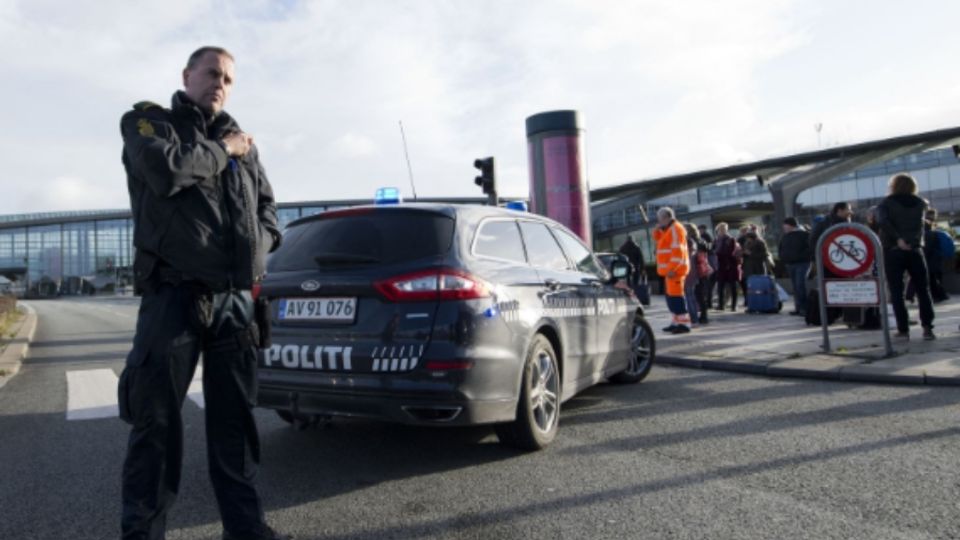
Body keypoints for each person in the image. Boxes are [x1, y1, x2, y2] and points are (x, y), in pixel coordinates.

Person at [118, 47, 290, 540]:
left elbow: (268, 208)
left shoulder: (243, 143)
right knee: (157, 427)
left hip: (235, 302)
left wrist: (263, 242)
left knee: (235, 425)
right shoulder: (149, 123)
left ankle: (245, 528)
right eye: (212, 73)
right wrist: (226, 150)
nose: (220, 83)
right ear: (187, 75)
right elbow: (165, 171)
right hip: (174, 296)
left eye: (229, 79)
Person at [877, 173, 935, 340]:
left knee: (896, 291)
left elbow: (883, 222)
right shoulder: (920, 203)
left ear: (893, 186)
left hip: (893, 250)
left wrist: (898, 239)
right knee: (923, 290)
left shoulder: (886, 203)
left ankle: (903, 330)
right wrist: (912, 241)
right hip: (916, 249)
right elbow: (920, 226)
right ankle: (928, 328)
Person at [653, 207, 692, 334]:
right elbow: (661, 241)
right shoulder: (669, 229)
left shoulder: (675, 228)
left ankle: (684, 324)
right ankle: (676, 322)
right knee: (671, 298)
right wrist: (657, 230)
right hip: (670, 271)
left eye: (660, 218)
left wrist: (671, 268)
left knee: (676, 298)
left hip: (674, 271)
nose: (658, 221)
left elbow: (677, 251)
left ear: (666, 217)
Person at [779, 217, 810, 316]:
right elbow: (781, 248)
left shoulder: (804, 234)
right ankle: (798, 307)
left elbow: (810, 248)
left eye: (785, 224)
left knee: (800, 285)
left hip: (802, 263)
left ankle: (804, 308)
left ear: (790, 225)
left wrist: (802, 256)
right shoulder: (786, 236)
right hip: (790, 264)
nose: (783, 227)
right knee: (796, 287)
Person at [713, 222, 742, 311]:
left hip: (730, 265)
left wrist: (717, 254)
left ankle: (733, 305)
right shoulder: (716, 240)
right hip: (721, 266)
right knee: (720, 286)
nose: (721, 231)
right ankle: (721, 305)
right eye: (720, 230)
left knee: (732, 286)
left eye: (723, 229)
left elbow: (729, 252)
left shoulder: (730, 239)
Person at [686, 223, 711, 324]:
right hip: (702, 269)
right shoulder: (701, 240)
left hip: (696, 270)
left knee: (697, 294)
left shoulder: (692, 241)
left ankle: (702, 316)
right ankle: (704, 315)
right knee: (700, 294)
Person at [698, 224, 718, 309]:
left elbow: (709, 248)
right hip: (710, 264)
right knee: (709, 285)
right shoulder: (707, 237)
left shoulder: (704, 237)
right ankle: (708, 303)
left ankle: (708, 303)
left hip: (708, 264)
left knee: (707, 285)